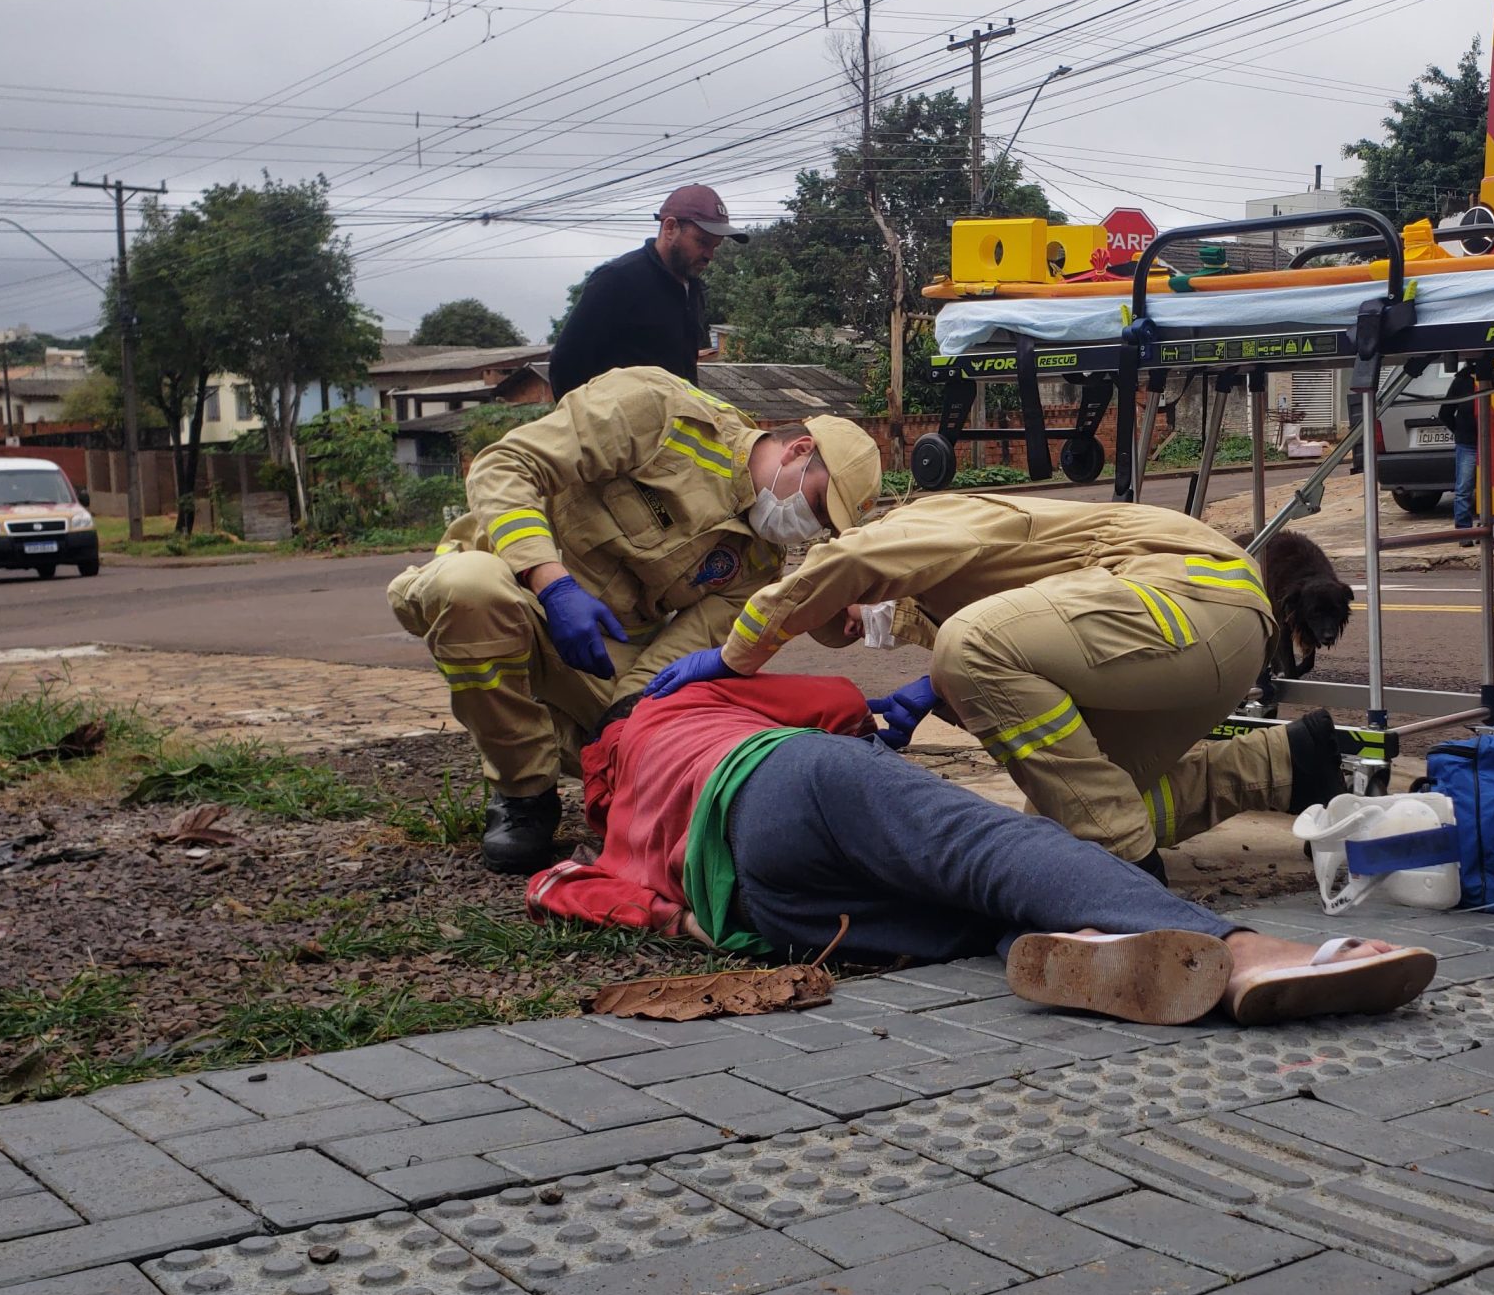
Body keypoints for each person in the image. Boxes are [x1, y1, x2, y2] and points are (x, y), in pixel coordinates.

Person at [528, 674, 1439, 1027]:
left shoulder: (606, 827)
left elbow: (569, 891)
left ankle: (1086, 950)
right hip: (782, 783)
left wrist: (695, 923)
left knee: (979, 914)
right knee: (990, 849)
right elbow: (839, 702)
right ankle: (1241, 951)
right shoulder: (676, 707)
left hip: (766, 911)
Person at [640, 493, 1348, 875]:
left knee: (973, 650)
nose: (854, 632)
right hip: (1204, 644)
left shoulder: (927, 520)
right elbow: (1040, 650)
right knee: (1072, 808)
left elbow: (855, 560)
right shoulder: (949, 597)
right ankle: (1284, 766)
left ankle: (1127, 874)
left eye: (846, 621)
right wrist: (932, 693)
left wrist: (739, 653)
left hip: (1190, 603)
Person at [387, 366, 880, 874]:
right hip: (502, 576)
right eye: (817, 503)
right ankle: (523, 794)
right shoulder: (663, 412)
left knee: (648, 741)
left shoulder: (756, 562)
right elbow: (504, 466)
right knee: (468, 590)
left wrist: (629, 727)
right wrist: (549, 580)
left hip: (599, 647)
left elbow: (676, 659)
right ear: (798, 449)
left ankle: (565, 743)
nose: (805, 524)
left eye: (821, 524)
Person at [549, 183, 743, 399]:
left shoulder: (692, 290)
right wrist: (592, 426)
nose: (710, 255)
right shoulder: (618, 279)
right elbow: (565, 365)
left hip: (672, 426)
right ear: (670, 228)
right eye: (702, 242)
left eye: (715, 246)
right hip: (619, 427)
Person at [1436, 369, 1494, 549]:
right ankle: (1464, 532)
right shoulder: (1462, 381)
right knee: (1464, 488)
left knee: (1492, 490)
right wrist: (1460, 432)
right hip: (1468, 443)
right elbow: (1445, 412)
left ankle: (1486, 530)